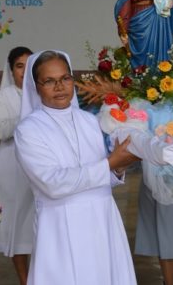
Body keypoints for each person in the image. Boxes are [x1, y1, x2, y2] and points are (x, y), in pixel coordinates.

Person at [14, 50, 138, 284]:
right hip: (60, 224)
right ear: (35, 86)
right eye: (49, 81)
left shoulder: (89, 121)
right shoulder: (28, 129)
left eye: (65, 78)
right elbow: (53, 183)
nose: (59, 87)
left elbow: (103, 177)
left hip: (102, 220)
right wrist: (111, 163)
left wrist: (119, 167)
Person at [0, 46, 35, 285]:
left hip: (40, 167)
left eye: (30, 65)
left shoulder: (44, 93)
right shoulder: (3, 96)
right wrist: (27, 116)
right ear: (11, 69)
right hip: (12, 166)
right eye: (19, 66)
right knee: (18, 223)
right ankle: (24, 279)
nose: (25, 71)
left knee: (38, 225)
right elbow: (0, 131)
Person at [115, 0, 173, 68]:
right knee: (141, 56)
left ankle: (158, 78)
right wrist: (123, 30)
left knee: (159, 50)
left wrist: (170, 3)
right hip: (139, 22)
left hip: (159, 20)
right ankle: (141, 78)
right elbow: (124, 6)